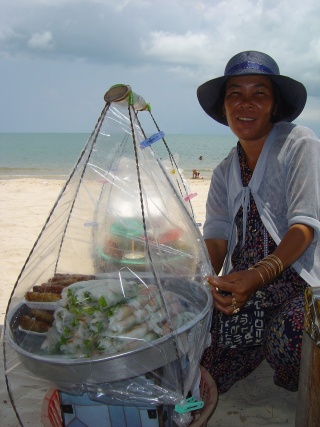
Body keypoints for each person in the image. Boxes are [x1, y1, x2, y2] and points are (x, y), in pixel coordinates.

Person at [196, 50, 320, 394]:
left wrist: (258, 275)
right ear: (224, 107)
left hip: (301, 283)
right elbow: (217, 235)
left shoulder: (300, 144)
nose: (245, 103)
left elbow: (304, 227)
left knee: (290, 340)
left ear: (274, 106)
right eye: (235, 93)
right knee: (198, 350)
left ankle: (275, 351)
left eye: (259, 93)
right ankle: (254, 344)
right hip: (245, 289)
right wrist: (203, 282)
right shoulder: (224, 171)